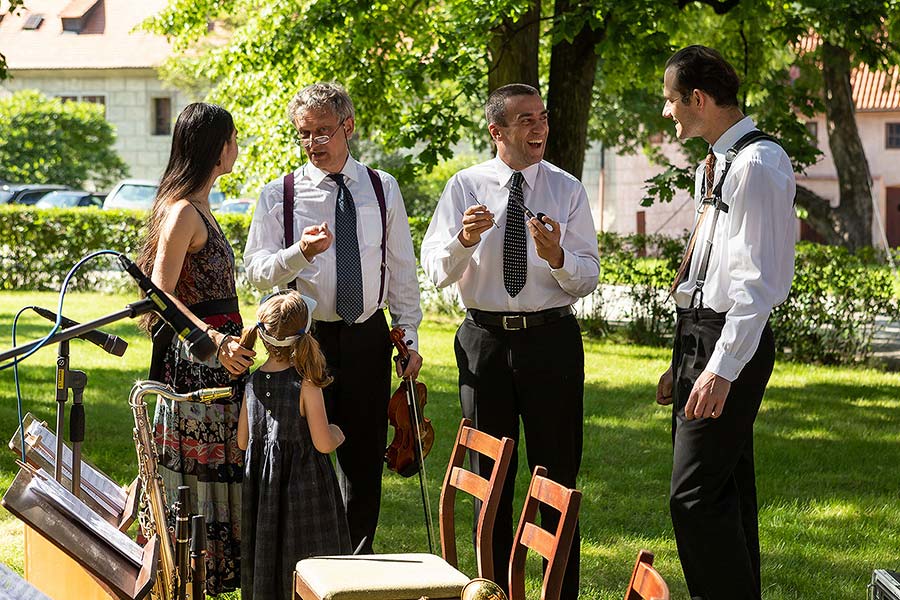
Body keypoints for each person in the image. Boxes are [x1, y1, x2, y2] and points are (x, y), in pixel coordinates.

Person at [420, 83, 599, 599]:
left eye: (542, 117)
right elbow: (436, 270)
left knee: (558, 481)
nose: (540, 127)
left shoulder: (567, 190)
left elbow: (588, 276)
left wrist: (559, 256)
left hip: (552, 343)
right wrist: (464, 241)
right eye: (526, 120)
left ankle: (559, 593)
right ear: (496, 131)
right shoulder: (464, 187)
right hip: (485, 344)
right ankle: (491, 592)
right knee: (489, 479)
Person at [243, 82, 423, 554]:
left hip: (368, 337)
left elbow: (401, 267)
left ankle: (356, 565)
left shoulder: (383, 188)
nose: (313, 142)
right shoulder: (278, 194)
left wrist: (409, 333)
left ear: (348, 126)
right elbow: (257, 274)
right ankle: (307, 562)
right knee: (305, 456)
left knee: (362, 460)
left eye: (323, 131)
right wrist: (298, 253)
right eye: (304, 134)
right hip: (305, 339)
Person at [656, 46, 796, 600]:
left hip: (730, 339)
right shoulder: (716, 163)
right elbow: (709, 266)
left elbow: (756, 286)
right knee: (727, 488)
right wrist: (682, 361)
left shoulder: (758, 164)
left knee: (692, 498)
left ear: (698, 98)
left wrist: (720, 369)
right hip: (701, 336)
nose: (668, 113)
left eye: (671, 101)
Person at [136, 102, 256, 594]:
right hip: (199, 367)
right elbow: (160, 295)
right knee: (198, 481)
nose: (236, 147)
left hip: (224, 362)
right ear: (215, 147)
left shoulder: (201, 205)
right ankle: (191, 576)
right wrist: (214, 342)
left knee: (223, 472)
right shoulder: (184, 210)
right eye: (231, 138)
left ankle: (210, 576)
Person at [238, 289, 352, 600]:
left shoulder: (251, 383)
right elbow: (323, 442)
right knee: (311, 558)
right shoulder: (306, 384)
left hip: (265, 491)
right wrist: (338, 432)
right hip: (307, 494)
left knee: (272, 553)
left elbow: (242, 441)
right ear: (304, 333)